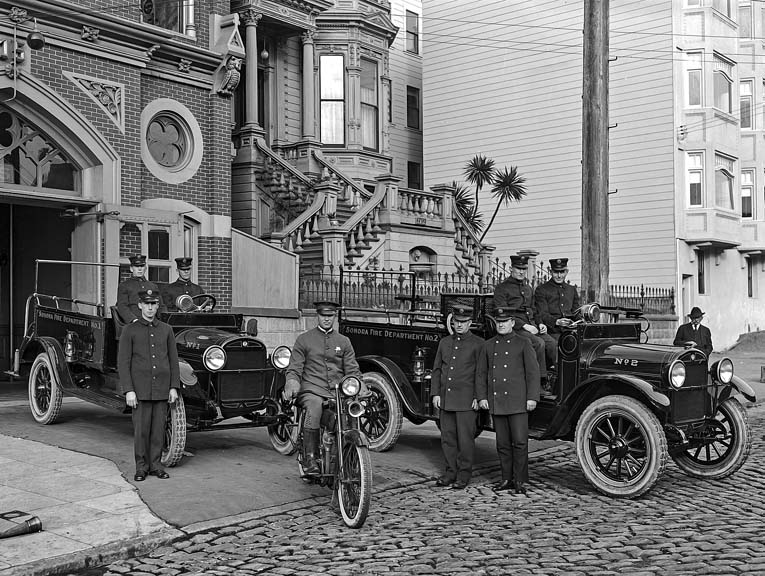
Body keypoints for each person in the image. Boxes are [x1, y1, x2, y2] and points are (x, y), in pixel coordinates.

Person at [283, 301, 362, 475]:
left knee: (351, 411)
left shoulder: (344, 341)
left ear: (335, 317)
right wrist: (292, 383)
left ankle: (351, 458)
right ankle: (310, 459)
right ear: (317, 316)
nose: (327, 319)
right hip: (312, 389)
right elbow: (295, 368)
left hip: (337, 391)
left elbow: (352, 369)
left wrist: (358, 384)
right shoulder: (304, 339)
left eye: (330, 316)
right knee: (314, 406)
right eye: (323, 316)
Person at [477, 306, 540, 495]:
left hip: (518, 401)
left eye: (505, 322)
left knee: (520, 442)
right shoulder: (488, 345)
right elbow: (481, 374)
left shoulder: (523, 343)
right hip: (498, 402)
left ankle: (520, 480)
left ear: (512, 323)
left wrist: (532, 398)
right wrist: (482, 397)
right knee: (502, 444)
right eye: (499, 322)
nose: (501, 325)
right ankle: (506, 478)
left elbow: (532, 373)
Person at [118, 289, 179, 482]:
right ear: (140, 306)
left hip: (161, 388)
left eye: (154, 304)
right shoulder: (130, 330)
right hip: (140, 389)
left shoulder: (166, 330)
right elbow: (124, 362)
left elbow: (173, 360)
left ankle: (156, 465)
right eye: (147, 304)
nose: (150, 308)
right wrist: (129, 390)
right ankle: (141, 467)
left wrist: (173, 387)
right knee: (141, 431)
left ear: (157, 306)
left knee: (158, 430)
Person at [431, 305, 484, 490]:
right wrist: (436, 393)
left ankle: (463, 475)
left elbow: (480, 373)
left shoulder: (478, 344)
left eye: (463, 322)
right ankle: (450, 472)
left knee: (465, 439)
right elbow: (437, 369)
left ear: (470, 323)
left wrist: (478, 397)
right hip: (447, 398)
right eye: (456, 322)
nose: (459, 326)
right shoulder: (445, 342)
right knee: (448, 438)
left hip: (466, 400)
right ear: (452, 322)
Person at [492, 255, 547, 375]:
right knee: (538, 343)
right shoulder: (502, 288)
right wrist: (524, 326)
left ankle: (552, 377)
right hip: (513, 327)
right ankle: (538, 379)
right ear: (511, 268)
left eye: (524, 269)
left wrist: (540, 323)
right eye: (518, 268)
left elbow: (534, 309)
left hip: (531, 325)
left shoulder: (528, 288)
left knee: (552, 343)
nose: (521, 272)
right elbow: (503, 313)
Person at [533, 258, 581, 370]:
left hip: (570, 330)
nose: (559, 275)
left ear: (566, 272)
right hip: (552, 331)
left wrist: (579, 321)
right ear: (551, 272)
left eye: (562, 272)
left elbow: (576, 311)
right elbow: (542, 313)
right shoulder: (542, 290)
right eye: (556, 272)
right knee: (556, 346)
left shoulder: (571, 289)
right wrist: (557, 322)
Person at [116, 255, 164, 323]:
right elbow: (122, 307)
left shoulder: (153, 286)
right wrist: (133, 320)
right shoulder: (124, 286)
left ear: (145, 268)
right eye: (136, 266)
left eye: (142, 266)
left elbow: (161, 306)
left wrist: (162, 320)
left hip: (153, 322)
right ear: (131, 269)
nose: (139, 269)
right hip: (134, 323)